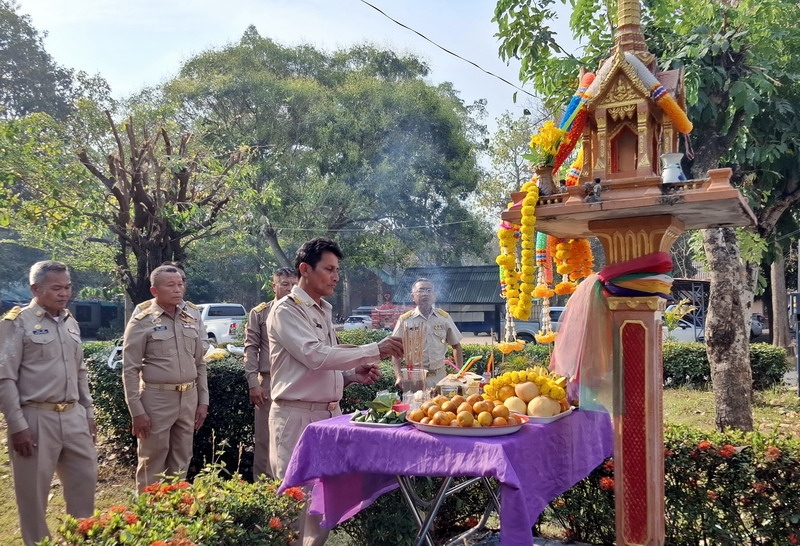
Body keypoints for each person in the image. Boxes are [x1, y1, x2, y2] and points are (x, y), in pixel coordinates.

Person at [267, 237, 403, 546]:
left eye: (337, 270)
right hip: (296, 417)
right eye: (329, 269)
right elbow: (315, 355)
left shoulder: (322, 309)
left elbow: (323, 363)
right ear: (305, 269)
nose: (336, 277)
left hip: (328, 417)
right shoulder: (286, 310)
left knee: (323, 506)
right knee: (294, 506)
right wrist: (375, 349)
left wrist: (350, 375)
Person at [0, 260, 97, 546]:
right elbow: (5, 378)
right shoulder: (17, 323)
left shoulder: (70, 322)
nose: (64, 293)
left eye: (67, 287)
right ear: (35, 289)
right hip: (35, 418)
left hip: (73, 416)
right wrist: (17, 425)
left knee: (84, 485)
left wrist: (88, 413)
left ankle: (82, 540)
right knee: (33, 495)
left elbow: (80, 373)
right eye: (56, 288)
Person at [122, 264, 208, 492]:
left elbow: (199, 363)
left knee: (182, 457)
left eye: (180, 284)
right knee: (153, 459)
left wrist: (203, 401)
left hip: (188, 397)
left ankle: (175, 508)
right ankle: (149, 510)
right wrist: (136, 411)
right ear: (154, 291)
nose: (178, 289)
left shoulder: (190, 318)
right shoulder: (142, 321)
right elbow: (130, 369)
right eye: (170, 285)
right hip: (157, 399)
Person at [243, 266, 297, 481]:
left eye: (294, 284)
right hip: (269, 383)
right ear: (274, 286)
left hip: (297, 382)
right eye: (284, 284)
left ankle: (291, 488)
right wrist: (253, 383)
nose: (290, 289)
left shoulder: (305, 312)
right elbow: (250, 349)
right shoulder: (260, 313)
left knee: (294, 438)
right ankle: (263, 489)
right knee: (265, 439)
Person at [392, 278, 464, 389]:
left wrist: (459, 373)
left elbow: (456, 346)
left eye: (429, 290)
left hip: (440, 378)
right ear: (412, 297)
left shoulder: (443, 318)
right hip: (415, 378)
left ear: (434, 296)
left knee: (442, 401)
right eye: (421, 290)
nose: (425, 294)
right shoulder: (405, 320)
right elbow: (395, 350)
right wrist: (398, 376)